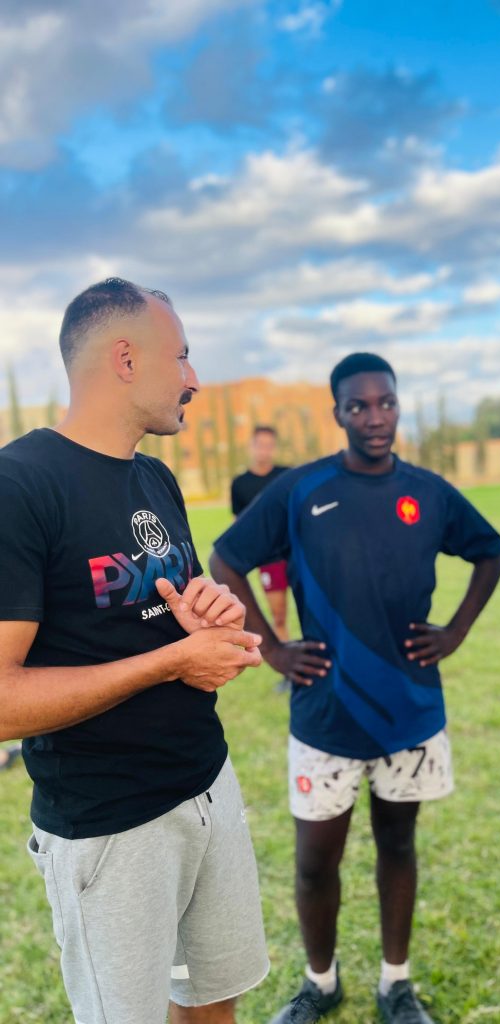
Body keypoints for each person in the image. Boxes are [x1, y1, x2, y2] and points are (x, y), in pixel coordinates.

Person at [0, 279, 268, 1024]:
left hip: (207, 786)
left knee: (214, 1000)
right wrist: (171, 663)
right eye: (180, 356)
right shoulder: (18, 486)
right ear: (125, 357)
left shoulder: (155, 476)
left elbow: (175, 613)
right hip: (110, 829)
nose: (193, 378)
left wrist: (214, 616)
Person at [211, 352, 500, 1024]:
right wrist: (275, 650)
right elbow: (227, 558)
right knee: (316, 862)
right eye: (359, 406)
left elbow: (491, 550)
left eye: (386, 403)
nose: (375, 418)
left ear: (399, 406)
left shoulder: (428, 491)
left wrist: (454, 632)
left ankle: (395, 985)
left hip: (409, 709)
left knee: (398, 845)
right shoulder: (302, 489)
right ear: (337, 412)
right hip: (325, 715)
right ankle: (320, 983)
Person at [231, 426, 291, 643]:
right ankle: (289, 674)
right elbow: (237, 526)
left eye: (269, 446)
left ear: (274, 448)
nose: (264, 451)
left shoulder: (286, 476)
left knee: (313, 613)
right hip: (268, 560)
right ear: (251, 447)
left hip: (297, 556)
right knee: (279, 617)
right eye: (260, 445)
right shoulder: (240, 484)